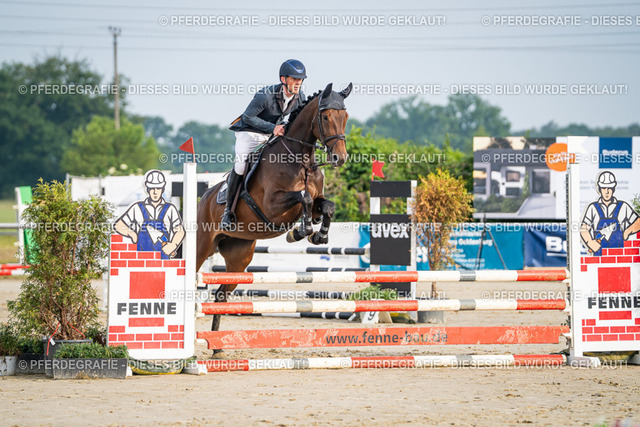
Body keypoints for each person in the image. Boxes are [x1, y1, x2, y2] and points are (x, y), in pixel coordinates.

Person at [221, 59, 307, 230]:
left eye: (300, 79)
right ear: (283, 79)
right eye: (294, 79)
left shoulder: (300, 97)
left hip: (271, 134)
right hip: (249, 133)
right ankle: (228, 211)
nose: (298, 83)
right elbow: (247, 117)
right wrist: (272, 128)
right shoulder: (266, 95)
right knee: (240, 166)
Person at [114, 170, 185, 259]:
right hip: (142, 259)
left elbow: (180, 231)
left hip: (163, 259)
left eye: (158, 188)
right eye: (152, 188)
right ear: (147, 189)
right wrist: (131, 233)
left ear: (162, 189)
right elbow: (118, 225)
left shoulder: (170, 209)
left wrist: (173, 244)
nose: (155, 192)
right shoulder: (137, 207)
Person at [580, 170, 640, 256]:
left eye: (609, 188)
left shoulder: (623, 206)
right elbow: (584, 228)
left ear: (613, 189)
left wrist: (628, 231)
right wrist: (590, 242)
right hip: (599, 256)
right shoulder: (593, 208)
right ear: (599, 189)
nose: (607, 191)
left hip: (619, 256)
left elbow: (638, 222)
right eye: (604, 188)